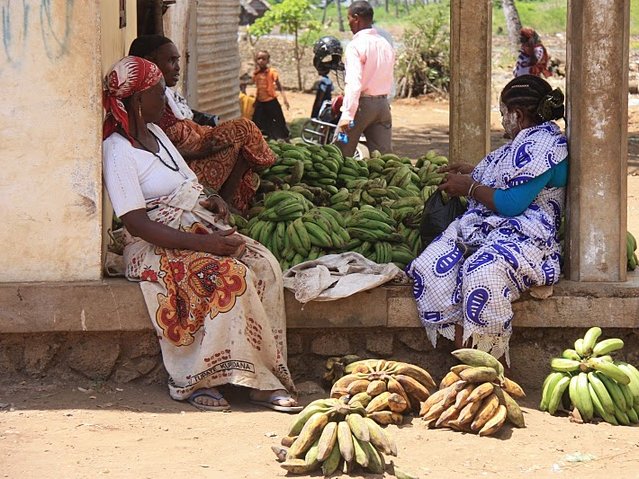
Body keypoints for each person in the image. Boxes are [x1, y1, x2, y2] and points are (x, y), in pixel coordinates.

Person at [102, 55, 301, 413]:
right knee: (229, 275)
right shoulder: (117, 150)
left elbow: (189, 183)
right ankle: (199, 378)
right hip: (154, 245)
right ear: (135, 100)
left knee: (265, 265)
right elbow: (136, 224)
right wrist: (204, 244)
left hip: (195, 228)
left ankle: (262, 377)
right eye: (159, 94)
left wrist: (212, 201)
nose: (165, 100)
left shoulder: (158, 134)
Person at [406, 75, 568, 364]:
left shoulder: (545, 146)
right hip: (492, 228)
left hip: (528, 236)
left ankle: (489, 370)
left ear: (517, 115)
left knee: (481, 273)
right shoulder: (529, 138)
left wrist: (468, 188)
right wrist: (473, 172)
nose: (502, 119)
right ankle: (469, 362)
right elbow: (510, 176)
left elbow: (511, 203)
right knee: (429, 266)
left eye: (503, 113)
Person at [128, 35, 276, 214]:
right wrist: (199, 151)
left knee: (241, 140)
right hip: (180, 172)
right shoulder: (142, 103)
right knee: (243, 129)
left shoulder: (163, 97)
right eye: (171, 61)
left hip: (191, 159)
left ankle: (228, 201)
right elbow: (154, 152)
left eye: (178, 60)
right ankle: (227, 201)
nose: (177, 68)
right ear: (150, 61)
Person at [336, 0, 395, 157]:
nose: (348, 23)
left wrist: (347, 115)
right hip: (383, 107)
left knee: (339, 153)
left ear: (356, 18)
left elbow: (354, 83)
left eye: (348, 18)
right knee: (383, 160)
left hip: (361, 108)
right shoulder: (385, 44)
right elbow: (389, 76)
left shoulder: (356, 45)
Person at [252, 50, 290, 140]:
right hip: (260, 102)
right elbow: (258, 88)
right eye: (259, 59)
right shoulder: (256, 74)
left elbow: (279, 86)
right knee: (256, 121)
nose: (261, 61)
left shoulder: (272, 72)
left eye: (264, 59)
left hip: (271, 101)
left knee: (279, 120)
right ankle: (262, 137)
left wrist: (285, 99)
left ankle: (284, 137)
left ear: (268, 61)